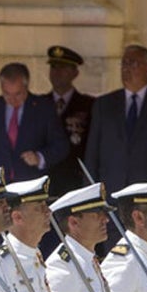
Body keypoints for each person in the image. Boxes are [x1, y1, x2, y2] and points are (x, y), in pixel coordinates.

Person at [84, 45, 147, 202]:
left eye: (132, 64)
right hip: (111, 194)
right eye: (124, 64)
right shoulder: (104, 104)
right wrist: (90, 194)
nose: (126, 69)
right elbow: (92, 154)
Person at [0, 62, 68, 186]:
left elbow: (61, 146)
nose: (12, 100)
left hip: (32, 184)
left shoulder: (44, 108)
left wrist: (40, 158)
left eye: (18, 94)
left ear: (26, 86)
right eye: (7, 94)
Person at [44, 46, 95, 196]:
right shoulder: (39, 104)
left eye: (63, 67)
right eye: (53, 67)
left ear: (75, 73)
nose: (56, 72)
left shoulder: (88, 105)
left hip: (75, 182)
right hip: (45, 182)